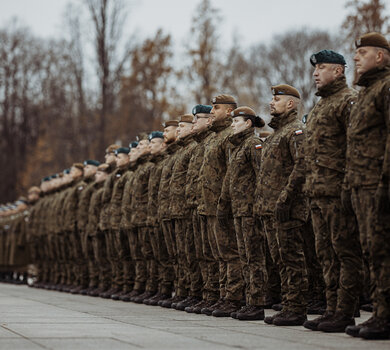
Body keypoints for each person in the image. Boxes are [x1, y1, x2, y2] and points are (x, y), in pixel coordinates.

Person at [303, 49, 363, 332]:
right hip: (318, 193)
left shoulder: (348, 101)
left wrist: (349, 188)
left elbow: (356, 148)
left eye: (322, 68)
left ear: (338, 71)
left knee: (345, 252)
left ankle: (345, 311)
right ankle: (331, 308)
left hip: (338, 192)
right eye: (315, 69)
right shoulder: (320, 107)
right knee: (325, 254)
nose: (316, 73)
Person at [344, 32, 390, 340]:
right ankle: (380, 313)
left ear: (381, 56)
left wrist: (386, 184)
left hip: (377, 184)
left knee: (382, 252)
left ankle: (385, 316)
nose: (356, 57)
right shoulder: (365, 94)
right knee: (371, 251)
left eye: (363, 52)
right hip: (361, 185)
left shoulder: (386, 88)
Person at [259, 84, 309, 326]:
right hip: (271, 208)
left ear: (290, 104)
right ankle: (289, 305)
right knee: (280, 259)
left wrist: (285, 198)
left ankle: (297, 308)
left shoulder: (295, 131)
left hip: (287, 208)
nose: (271, 103)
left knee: (292, 258)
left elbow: (302, 166)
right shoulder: (276, 134)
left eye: (277, 99)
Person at [218, 106, 267, 320]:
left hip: (250, 211)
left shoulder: (253, 144)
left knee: (254, 257)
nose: (232, 125)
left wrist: (258, 207)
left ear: (248, 123)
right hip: (239, 210)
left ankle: (257, 303)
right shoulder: (238, 147)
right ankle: (249, 301)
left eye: (235, 122)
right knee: (245, 256)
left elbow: (262, 176)